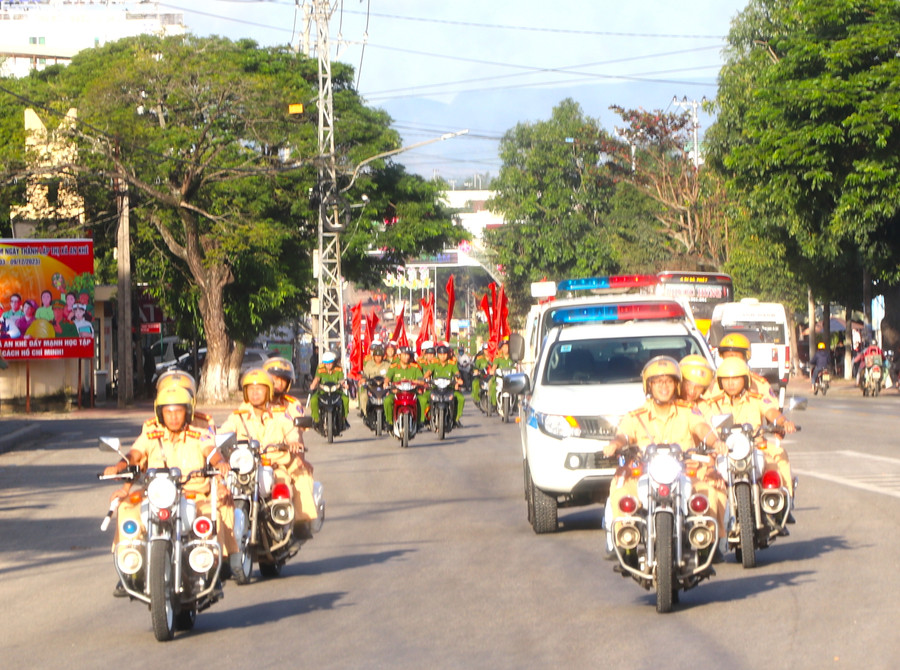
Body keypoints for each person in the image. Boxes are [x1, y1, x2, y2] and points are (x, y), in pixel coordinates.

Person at [102, 384, 237, 596]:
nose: (173, 417)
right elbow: (135, 455)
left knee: (214, 514)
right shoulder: (151, 435)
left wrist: (220, 463)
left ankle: (215, 568)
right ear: (160, 413)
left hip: (193, 494)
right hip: (157, 495)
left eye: (178, 411)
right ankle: (128, 568)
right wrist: (119, 467)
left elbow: (211, 452)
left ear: (188, 412)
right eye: (168, 412)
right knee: (126, 507)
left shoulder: (200, 434)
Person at [602, 357, 726, 554]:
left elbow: (702, 428)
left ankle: (708, 543)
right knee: (619, 487)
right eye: (658, 382)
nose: (664, 387)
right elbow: (624, 434)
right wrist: (614, 444)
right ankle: (626, 542)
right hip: (644, 474)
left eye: (668, 381)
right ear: (649, 385)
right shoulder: (636, 415)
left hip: (685, 473)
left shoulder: (688, 411)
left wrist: (715, 441)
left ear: (676, 385)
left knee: (712, 490)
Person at [220, 368, 318, 542]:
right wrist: (216, 447)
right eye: (251, 389)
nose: (255, 393)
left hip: (276, 465)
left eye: (259, 389)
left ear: (268, 391)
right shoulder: (239, 415)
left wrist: (294, 443)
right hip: (246, 468)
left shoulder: (281, 413)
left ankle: (298, 521)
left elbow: (292, 431)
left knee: (285, 484)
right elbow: (223, 433)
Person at [704, 357, 797, 502]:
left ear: (745, 379)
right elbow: (703, 424)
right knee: (706, 477)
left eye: (735, 379)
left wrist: (784, 422)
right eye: (726, 379)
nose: (730, 383)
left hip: (756, 448)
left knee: (778, 458)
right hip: (723, 451)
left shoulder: (757, 398)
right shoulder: (712, 403)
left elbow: (771, 412)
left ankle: (784, 501)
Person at [677, 355, 727, 540]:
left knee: (716, 492)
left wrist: (712, 464)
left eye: (698, 387)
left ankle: (713, 540)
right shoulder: (661, 404)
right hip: (662, 467)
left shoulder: (704, 408)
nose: (691, 391)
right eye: (688, 384)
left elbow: (708, 431)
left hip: (695, 467)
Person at [716, 332, 777, 400]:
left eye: (735, 356)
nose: (731, 360)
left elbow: (770, 408)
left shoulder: (759, 385)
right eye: (727, 356)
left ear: (746, 356)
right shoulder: (713, 384)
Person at [384, 346, 427, 425]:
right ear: (399, 356)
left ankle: (420, 421)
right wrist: (386, 383)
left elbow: (422, 381)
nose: (406, 357)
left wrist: (414, 381)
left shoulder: (415, 367)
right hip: (397, 392)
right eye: (404, 355)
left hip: (412, 393)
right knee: (387, 400)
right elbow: (388, 378)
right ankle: (389, 422)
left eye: (408, 355)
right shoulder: (394, 367)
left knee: (423, 400)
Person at [425, 342, 465, 427]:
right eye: (440, 354)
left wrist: (458, 381)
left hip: (449, 389)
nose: (443, 356)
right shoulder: (434, 363)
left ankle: (455, 418)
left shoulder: (452, 364)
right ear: (438, 355)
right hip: (435, 388)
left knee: (460, 398)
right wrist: (426, 378)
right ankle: (428, 418)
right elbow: (428, 372)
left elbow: (457, 373)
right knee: (424, 398)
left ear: (447, 354)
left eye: (444, 354)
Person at [308, 351, 350, 429]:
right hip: (323, 390)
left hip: (336, 390)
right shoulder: (320, 368)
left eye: (330, 363)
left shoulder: (339, 369)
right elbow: (317, 378)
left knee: (345, 399)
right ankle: (316, 419)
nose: (328, 365)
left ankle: (344, 418)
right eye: (326, 364)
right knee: (313, 399)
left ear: (333, 362)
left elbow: (341, 379)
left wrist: (344, 385)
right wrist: (313, 385)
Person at [360, 343, 391, 419]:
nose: (378, 358)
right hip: (372, 387)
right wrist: (363, 379)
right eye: (376, 356)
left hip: (384, 387)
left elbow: (391, 375)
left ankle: (389, 416)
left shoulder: (387, 365)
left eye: (379, 356)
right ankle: (365, 414)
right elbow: (365, 375)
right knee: (363, 395)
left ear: (383, 356)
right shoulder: (369, 364)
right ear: (373, 356)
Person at [488, 337, 516, 411]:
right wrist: (492, 371)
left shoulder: (513, 358)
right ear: (501, 349)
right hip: (500, 378)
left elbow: (516, 367)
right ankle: (494, 404)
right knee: (493, 387)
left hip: (510, 380)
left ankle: (515, 406)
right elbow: (494, 367)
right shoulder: (498, 358)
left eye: (507, 347)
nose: (505, 349)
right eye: (503, 347)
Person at [471, 343, 490, 411]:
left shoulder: (494, 357)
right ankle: (477, 400)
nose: (487, 351)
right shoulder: (479, 358)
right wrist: (476, 371)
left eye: (488, 349)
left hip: (491, 377)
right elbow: (475, 367)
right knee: (475, 384)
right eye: (486, 350)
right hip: (481, 377)